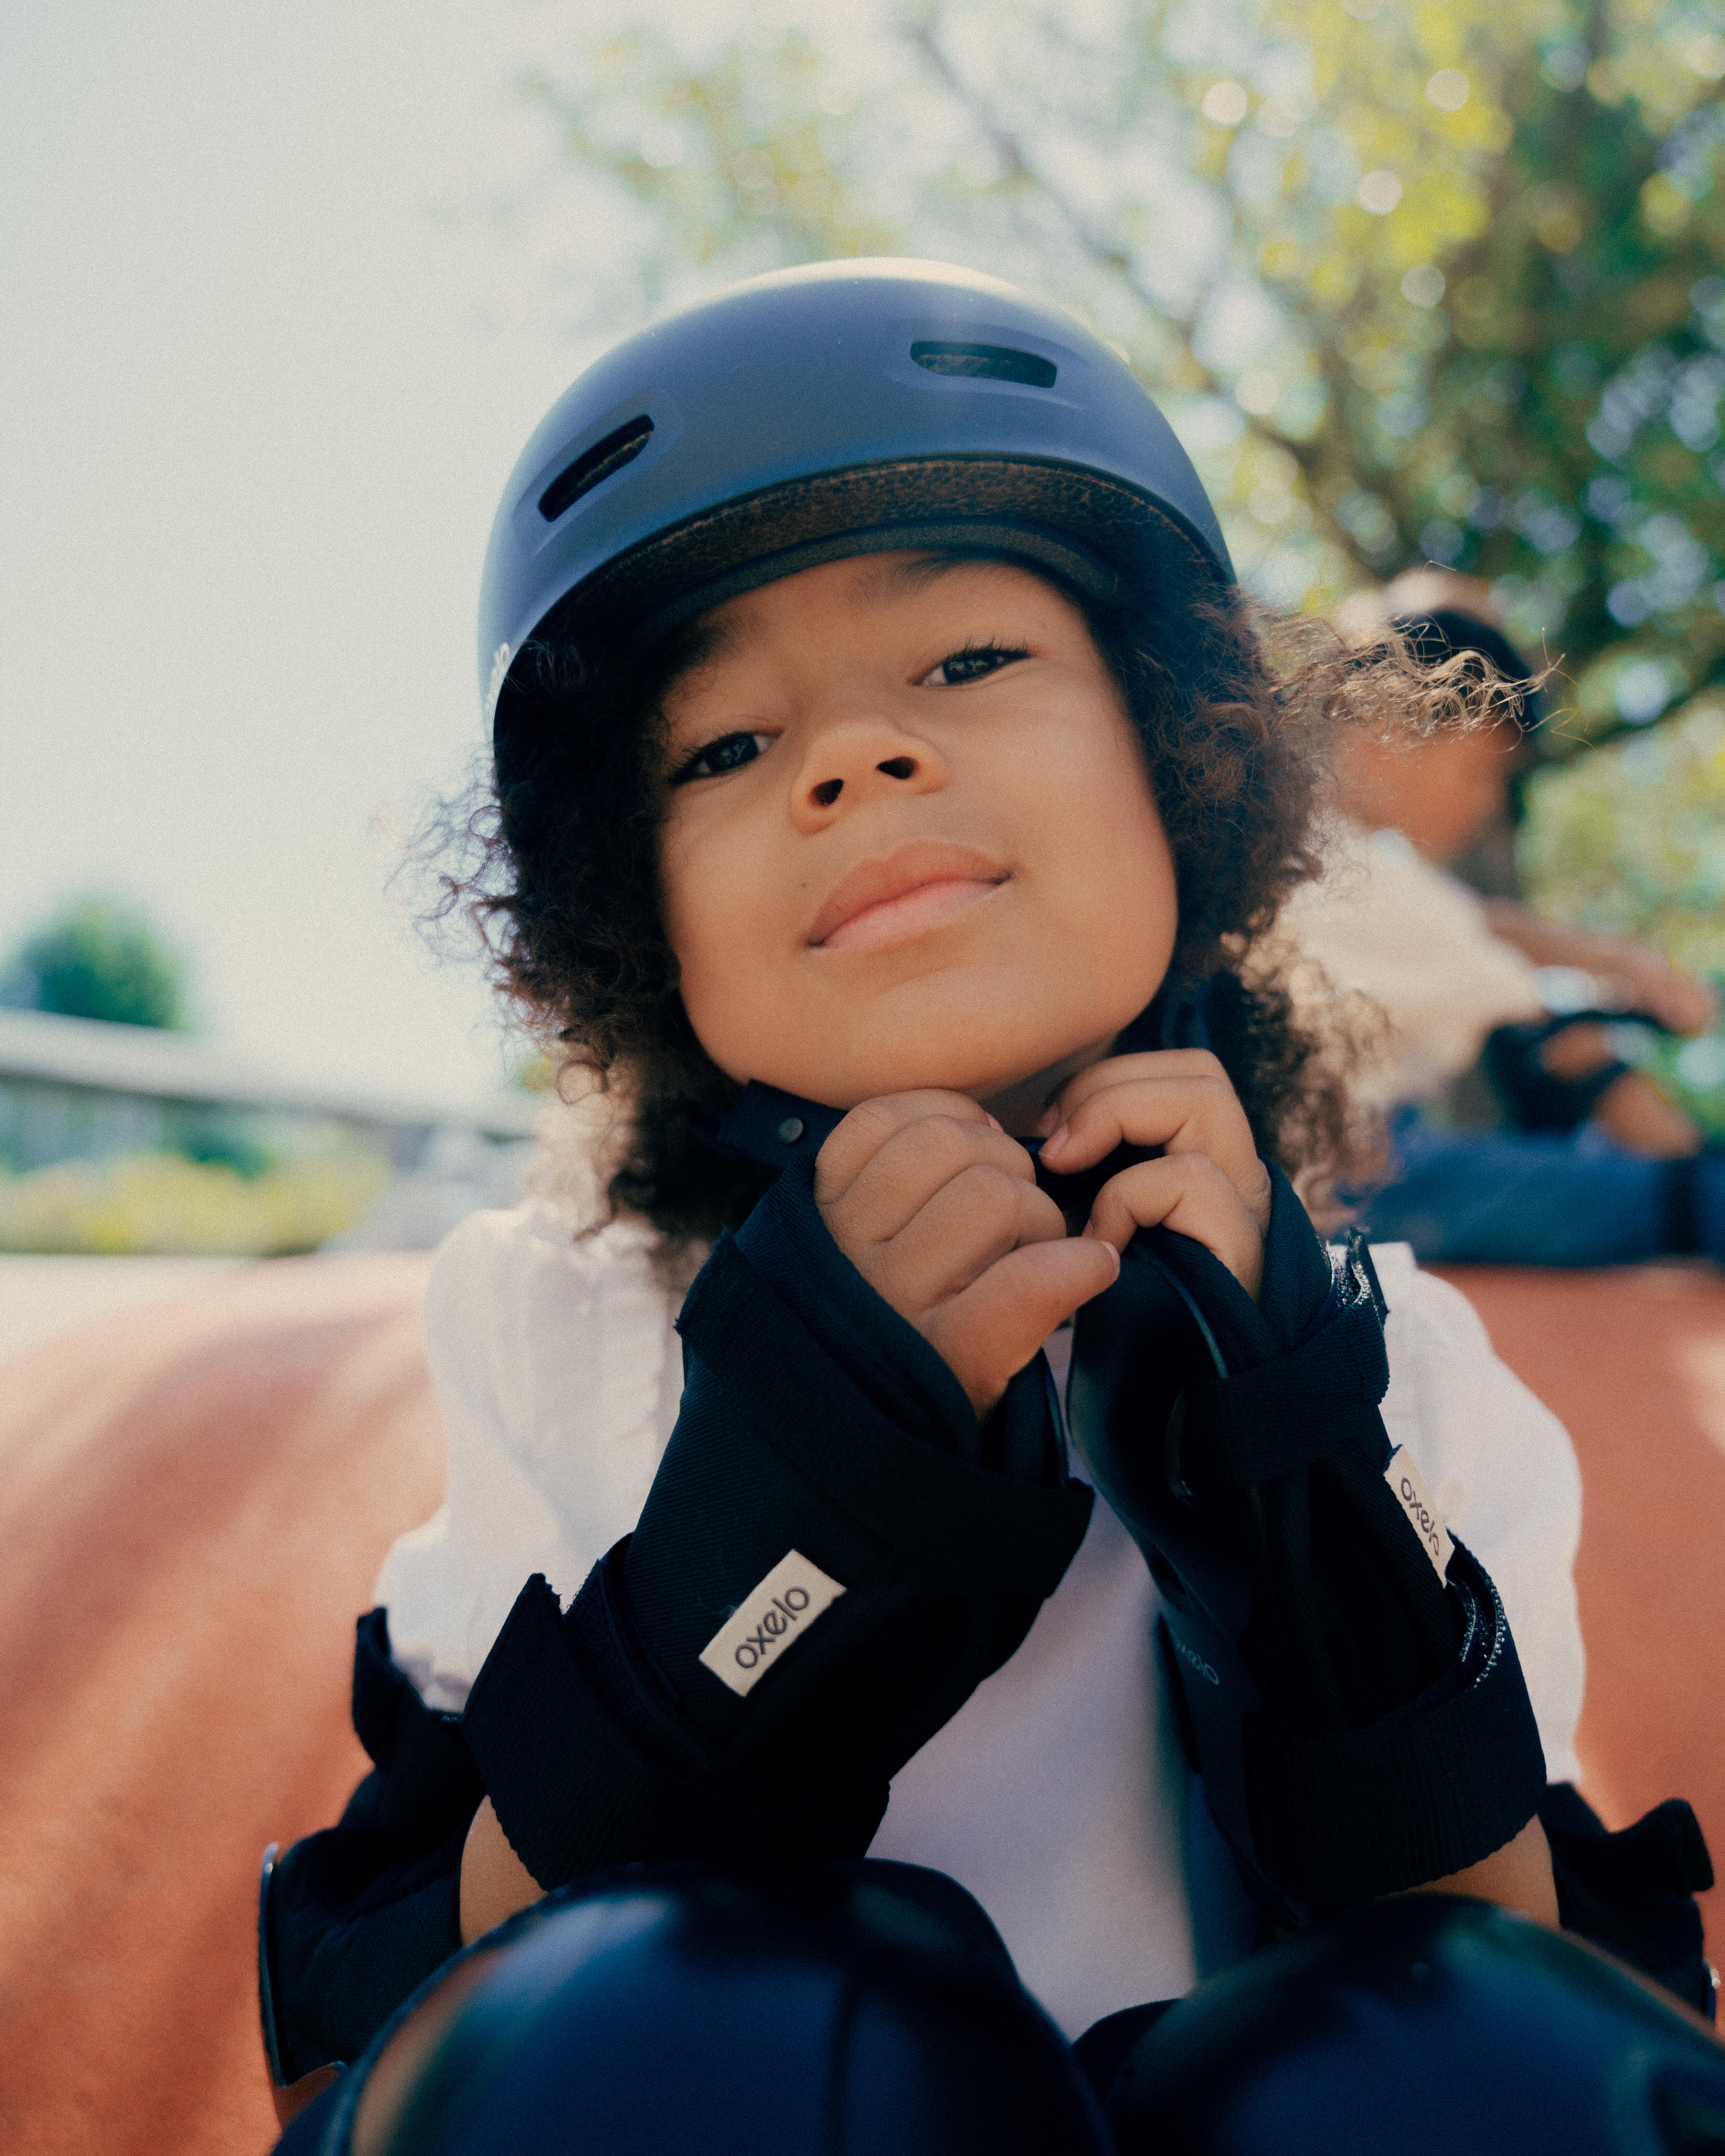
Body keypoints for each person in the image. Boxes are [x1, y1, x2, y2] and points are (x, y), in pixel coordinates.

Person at [260, 262, 1709, 2140]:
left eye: (965, 662)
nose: (855, 761)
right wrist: (740, 1588)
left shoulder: (1391, 1350)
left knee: (1458, 2059)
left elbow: (1537, 1982)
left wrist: (1305, 1496)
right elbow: (363, 2048)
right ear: (640, 923)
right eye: (722, 748)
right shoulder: (571, 1319)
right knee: (643, 2044)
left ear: (1181, 761)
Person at [1270, 570, 1725, 1265]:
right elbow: (1555, 1034)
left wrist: (1608, 967)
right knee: (1679, 1196)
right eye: (1477, 773)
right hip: (1344, 1186)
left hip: (1340, 1168)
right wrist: (1638, 977)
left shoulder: (1307, 845)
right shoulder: (1330, 862)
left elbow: (1474, 924)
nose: (1485, 807)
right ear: (1390, 727)